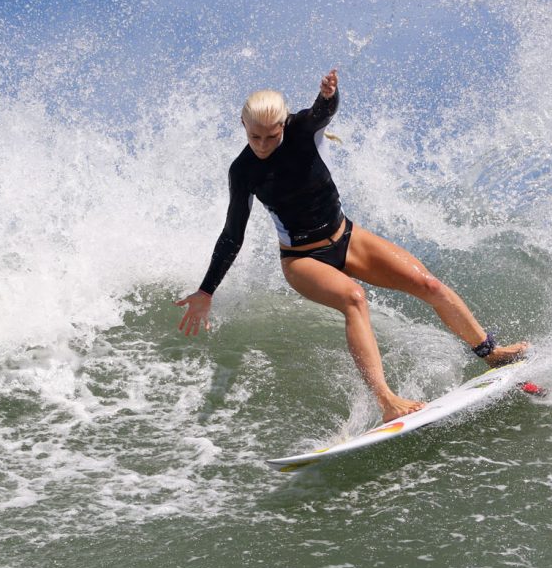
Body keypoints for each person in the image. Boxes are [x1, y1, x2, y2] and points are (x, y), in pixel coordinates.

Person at [176, 69, 528, 422]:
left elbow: (322, 113)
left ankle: (490, 352)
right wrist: (206, 291)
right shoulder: (243, 171)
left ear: (284, 123)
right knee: (354, 299)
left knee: (429, 284)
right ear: (242, 124)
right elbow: (232, 233)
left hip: (347, 237)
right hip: (302, 259)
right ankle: (387, 401)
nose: (264, 145)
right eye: (255, 137)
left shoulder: (301, 130)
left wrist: (329, 95)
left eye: (272, 135)